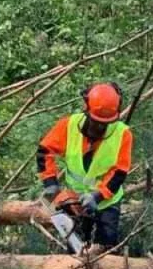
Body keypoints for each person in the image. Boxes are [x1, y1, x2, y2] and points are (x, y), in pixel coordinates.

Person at [37, 82, 133, 247]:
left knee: (106, 246)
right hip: (75, 199)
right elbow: (44, 151)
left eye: (104, 124)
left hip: (107, 201)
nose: (99, 127)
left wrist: (97, 195)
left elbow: (119, 173)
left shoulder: (122, 134)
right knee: (75, 246)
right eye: (96, 122)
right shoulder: (69, 126)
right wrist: (51, 185)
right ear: (86, 108)